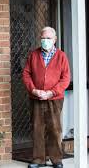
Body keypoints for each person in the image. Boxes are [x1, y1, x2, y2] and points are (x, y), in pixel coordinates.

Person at [22, 27, 70, 168]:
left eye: (48, 38)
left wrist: (51, 92)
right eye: (43, 38)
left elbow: (65, 78)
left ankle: (56, 159)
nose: (45, 41)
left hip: (54, 99)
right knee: (37, 128)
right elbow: (26, 74)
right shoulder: (33, 55)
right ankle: (38, 160)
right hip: (36, 97)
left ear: (54, 40)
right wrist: (34, 90)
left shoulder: (61, 56)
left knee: (54, 129)